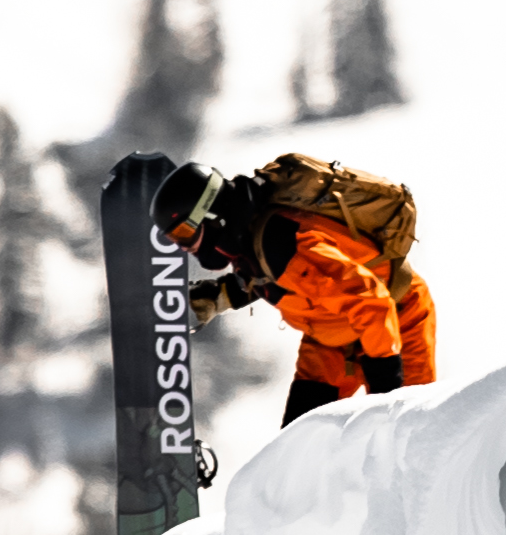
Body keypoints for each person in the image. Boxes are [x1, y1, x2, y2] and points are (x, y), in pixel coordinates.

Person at [151, 152, 436, 425]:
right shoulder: (246, 235)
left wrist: (386, 392)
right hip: (331, 338)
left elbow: (372, 302)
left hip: (397, 324)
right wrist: (216, 297)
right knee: (299, 445)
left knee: (407, 436)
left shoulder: (281, 242)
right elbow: (273, 278)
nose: (183, 247)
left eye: (184, 233)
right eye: (173, 239)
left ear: (211, 215)